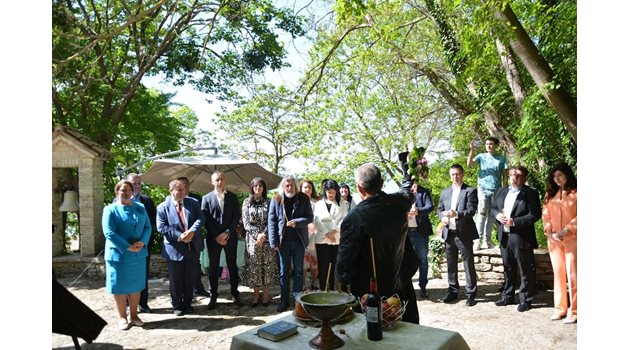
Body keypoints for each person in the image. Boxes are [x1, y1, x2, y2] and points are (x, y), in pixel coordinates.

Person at [336, 158, 420, 324]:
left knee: (374, 336)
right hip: (400, 283)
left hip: (370, 293)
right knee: (406, 331)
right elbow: (407, 191)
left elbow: (344, 265)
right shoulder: (399, 202)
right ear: (381, 183)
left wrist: (343, 291)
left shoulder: (353, 219)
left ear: (359, 188)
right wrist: (407, 169)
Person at [102, 180, 152, 330]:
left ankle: (134, 315)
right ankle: (122, 317)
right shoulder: (110, 209)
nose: (126, 192)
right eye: (123, 190)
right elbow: (108, 232)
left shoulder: (141, 207)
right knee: (120, 287)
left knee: (136, 286)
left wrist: (142, 242)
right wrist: (128, 247)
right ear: (117, 192)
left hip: (138, 254)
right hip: (119, 255)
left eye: (129, 190)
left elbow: (148, 227)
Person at [491, 166, 541, 312]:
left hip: (521, 236)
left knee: (525, 269)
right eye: (512, 175)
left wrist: (515, 221)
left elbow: (535, 214)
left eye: (518, 175)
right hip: (504, 235)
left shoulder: (530, 193)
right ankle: (507, 296)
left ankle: (526, 299)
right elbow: (493, 208)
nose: (514, 177)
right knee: (508, 268)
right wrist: (497, 215)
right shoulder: (501, 191)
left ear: (524, 178)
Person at [156, 179, 205, 316]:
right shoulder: (162, 207)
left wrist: (192, 231)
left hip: (191, 246)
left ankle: (188, 303)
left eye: (183, 189)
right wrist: (180, 236)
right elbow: (161, 227)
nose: (182, 192)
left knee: (189, 278)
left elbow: (201, 218)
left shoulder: (193, 203)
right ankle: (177, 305)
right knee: (176, 279)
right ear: (171, 191)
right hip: (174, 249)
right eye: (179, 190)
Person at [268, 176, 314, 312]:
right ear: (283, 187)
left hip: (299, 241)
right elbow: (272, 221)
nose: (289, 188)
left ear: (295, 186)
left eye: (291, 185)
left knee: (299, 272)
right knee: (284, 272)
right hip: (283, 242)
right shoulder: (276, 199)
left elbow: (309, 217)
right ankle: (284, 301)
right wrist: (273, 242)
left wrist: (297, 222)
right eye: (287, 185)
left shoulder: (303, 198)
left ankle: (297, 300)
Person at [437, 164, 479, 307]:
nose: (455, 177)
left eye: (458, 174)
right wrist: (442, 218)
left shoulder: (470, 190)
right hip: (449, 233)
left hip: (464, 233)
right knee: (451, 264)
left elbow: (472, 210)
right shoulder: (445, 192)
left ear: (463, 174)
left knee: (468, 264)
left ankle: (471, 294)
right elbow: (440, 209)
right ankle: (453, 291)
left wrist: (458, 215)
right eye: (453, 174)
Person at [201, 171, 243, 309]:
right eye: (217, 180)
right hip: (213, 239)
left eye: (222, 179)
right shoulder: (206, 198)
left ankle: (235, 293)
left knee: (232, 266)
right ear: (212, 182)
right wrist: (217, 235)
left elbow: (236, 217)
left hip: (230, 237)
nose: (220, 182)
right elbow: (205, 219)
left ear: (225, 181)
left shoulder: (232, 197)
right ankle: (213, 295)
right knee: (213, 268)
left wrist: (225, 233)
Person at [542, 162, 577, 324]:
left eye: (560, 175)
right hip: (554, 241)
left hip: (573, 240)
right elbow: (546, 214)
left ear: (567, 175)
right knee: (558, 275)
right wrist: (549, 231)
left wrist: (566, 230)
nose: (557, 179)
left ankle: (575, 311)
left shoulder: (576, 193)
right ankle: (560, 309)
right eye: (554, 176)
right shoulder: (550, 194)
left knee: (574, 276)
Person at [467, 136, 508, 251]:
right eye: (487, 144)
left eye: (491, 144)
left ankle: (487, 241)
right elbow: (469, 164)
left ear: (495, 145)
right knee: (481, 213)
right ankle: (477, 241)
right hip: (483, 189)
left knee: (492, 216)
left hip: (496, 190)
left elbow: (505, 175)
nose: (488, 146)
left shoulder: (501, 159)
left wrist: (504, 190)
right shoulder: (481, 157)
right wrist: (472, 150)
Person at [242, 177, 277, 307]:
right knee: (254, 267)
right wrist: (257, 235)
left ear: (264, 188)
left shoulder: (270, 201)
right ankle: (256, 294)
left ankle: (266, 294)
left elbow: (272, 220)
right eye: (255, 186)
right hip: (252, 239)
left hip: (267, 239)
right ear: (252, 187)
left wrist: (264, 235)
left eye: (260, 186)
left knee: (267, 266)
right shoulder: (246, 202)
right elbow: (245, 223)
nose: (258, 188)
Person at [125, 173, 157, 314]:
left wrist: (142, 240)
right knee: (128, 274)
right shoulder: (119, 201)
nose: (137, 186)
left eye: (139, 183)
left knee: (142, 274)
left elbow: (153, 221)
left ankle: (143, 303)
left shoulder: (147, 201)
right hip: (126, 246)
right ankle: (127, 302)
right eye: (134, 183)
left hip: (143, 245)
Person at [176, 176, 210, 298]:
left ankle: (198, 288)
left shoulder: (196, 199)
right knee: (180, 267)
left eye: (186, 184)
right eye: (181, 184)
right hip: (179, 240)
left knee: (195, 265)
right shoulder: (170, 201)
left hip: (195, 238)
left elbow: (202, 217)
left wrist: (192, 232)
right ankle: (183, 292)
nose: (184, 186)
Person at [313, 179, 349, 291]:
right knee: (323, 266)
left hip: (336, 238)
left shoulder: (342, 203)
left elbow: (344, 218)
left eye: (333, 192)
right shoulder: (318, 204)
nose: (331, 195)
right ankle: (324, 288)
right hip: (322, 238)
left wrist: (334, 231)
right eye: (329, 192)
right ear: (325, 191)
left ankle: (334, 289)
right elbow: (317, 219)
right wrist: (327, 233)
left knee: (335, 266)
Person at [407, 179, 434, 298]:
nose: (414, 182)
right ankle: (405, 287)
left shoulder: (424, 192)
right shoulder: (403, 192)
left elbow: (430, 207)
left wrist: (418, 211)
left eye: (416, 180)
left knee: (423, 261)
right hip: (406, 233)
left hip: (420, 232)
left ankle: (423, 287)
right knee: (404, 261)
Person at [299, 179, 319, 290]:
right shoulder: (297, 202)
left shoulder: (317, 203)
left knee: (314, 261)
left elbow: (320, 218)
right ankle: (302, 284)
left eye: (310, 187)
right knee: (303, 262)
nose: (307, 189)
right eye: (305, 187)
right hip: (301, 234)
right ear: (301, 189)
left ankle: (314, 282)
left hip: (315, 235)